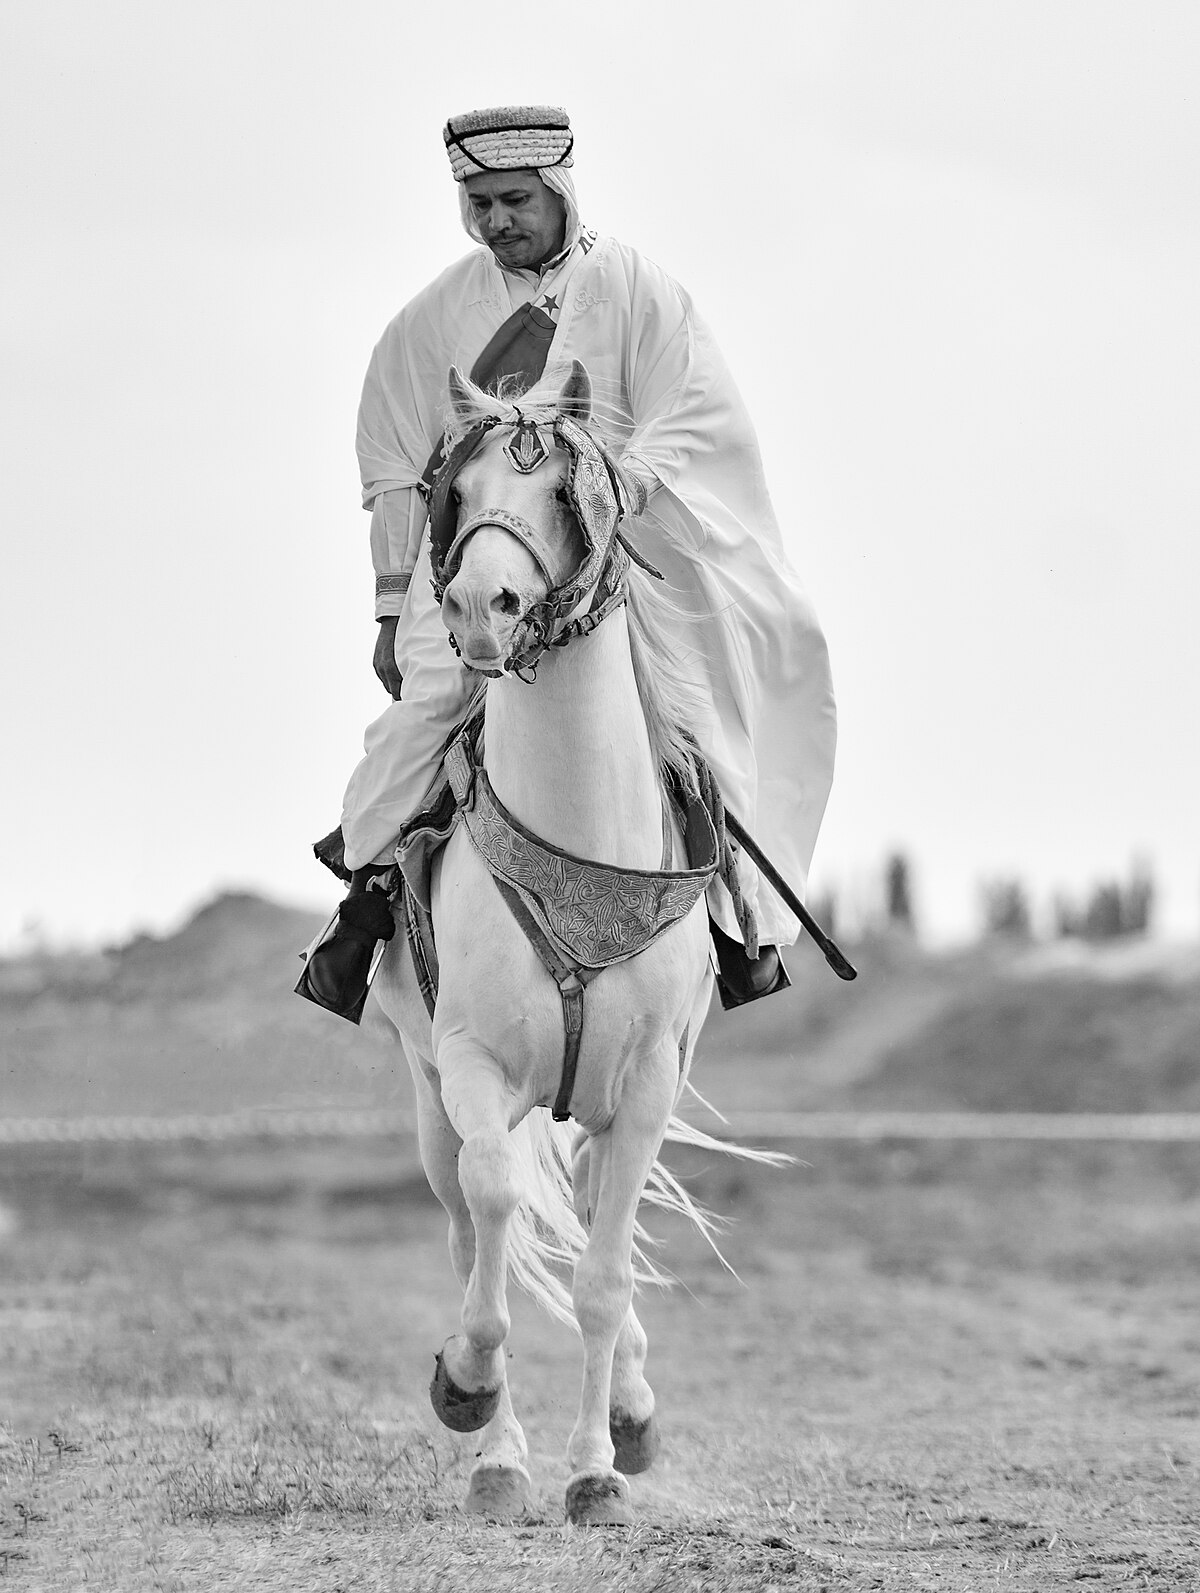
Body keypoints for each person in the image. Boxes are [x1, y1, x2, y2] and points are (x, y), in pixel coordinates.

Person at [298, 105, 836, 1022]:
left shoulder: (637, 291)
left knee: (706, 704)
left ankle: (733, 916)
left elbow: (693, 410)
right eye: (478, 202)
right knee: (429, 706)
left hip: (613, 551)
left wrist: (617, 488)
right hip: (478, 557)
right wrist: (392, 608)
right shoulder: (429, 321)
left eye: (513, 199)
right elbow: (393, 462)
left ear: (558, 190)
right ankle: (368, 902)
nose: (496, 220)